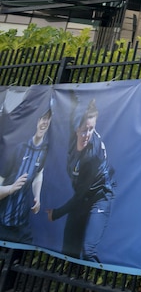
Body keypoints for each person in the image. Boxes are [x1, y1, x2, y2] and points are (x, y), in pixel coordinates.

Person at [48, 99, 115, 262]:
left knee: (88, 250)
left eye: (91, 130)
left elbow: (78, 196)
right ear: (77, 129)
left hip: (100, 197)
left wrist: (56, 213)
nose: (87, 135)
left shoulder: (92, 156)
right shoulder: (74, 136)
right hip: (83, 197)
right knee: (69, 250)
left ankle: (97, 284)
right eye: (84, 130)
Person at [0, 102, 52, 244]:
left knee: (18, 258)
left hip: (21, 226)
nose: (45, 122)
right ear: (37, 121)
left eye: (49, 119)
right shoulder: (17, 149)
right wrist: (10, 189)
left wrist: (37, 196)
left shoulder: (44, 151)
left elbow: (37, 175)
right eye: (43, 118)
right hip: (2, 223)